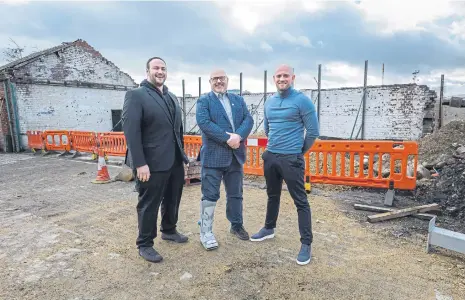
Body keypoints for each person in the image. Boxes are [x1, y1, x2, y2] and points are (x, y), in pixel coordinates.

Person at [250, 64, 319, 266]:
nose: (282, 79)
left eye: (285, 76)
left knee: (300, 201)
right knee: (272, 195)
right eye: (279, 76)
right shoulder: (269, 102)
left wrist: (297, 152)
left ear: (293, 77)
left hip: (292, 159)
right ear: (274, 78)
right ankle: (269, 228)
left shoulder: (302, 101)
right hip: (271, 157)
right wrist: (275, 149)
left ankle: (306, 243)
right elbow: (268, 128)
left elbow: (313, 132)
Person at [122, 57, 190, 263]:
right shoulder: (136, 95)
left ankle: (169, 229)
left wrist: (183, 157)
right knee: (149, 204)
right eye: (156, 68)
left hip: (174, 161)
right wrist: (140, 163)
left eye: (163, 68)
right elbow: (131, 132)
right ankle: (145, 244)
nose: (160, 71)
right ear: (147, 72)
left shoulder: (171, 97)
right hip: (150, 164)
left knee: (173, 198)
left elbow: (177, 130)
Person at [196, 69, 254, 250]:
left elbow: (248, 120)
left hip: (235, 158)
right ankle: (206, 231)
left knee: (236, 194)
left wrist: (239, 136)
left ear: (227, 80)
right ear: (210, 81)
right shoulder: (204, 101)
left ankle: (236, 225)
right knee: (210, 195)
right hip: (213, 157)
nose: (219, 81)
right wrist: (227, 138)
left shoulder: (238, 100)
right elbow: (204, 123)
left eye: (222, 78)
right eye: (215, 78)